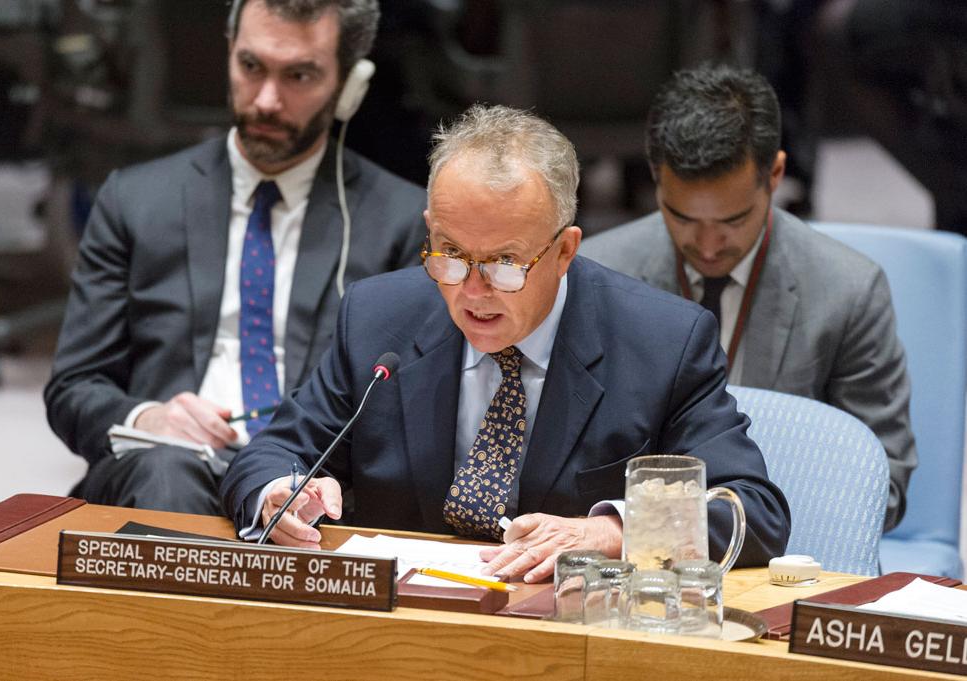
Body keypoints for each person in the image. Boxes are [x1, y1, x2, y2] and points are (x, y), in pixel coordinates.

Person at [221, 104, 790, 582]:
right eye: (450, 253)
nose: (473, 290)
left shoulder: (662, 342)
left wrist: (612, 530)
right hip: (402, 628)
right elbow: (271, 455)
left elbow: (753, 511)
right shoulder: (378, 319)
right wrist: (278, 495)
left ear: (565, 251)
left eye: (505, 263)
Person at [44, 0, 426, 515]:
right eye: (251, 66)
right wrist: (149, 418)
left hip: (313, 481)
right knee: (165, 475)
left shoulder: (401, 220)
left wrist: (290, 476)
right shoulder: (135, 200)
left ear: (349, 86)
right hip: (165, 468)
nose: (266, 100)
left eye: (299, 75)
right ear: (228, 54)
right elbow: (73, 387)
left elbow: (407, 415)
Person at [579, 64, 915, 532]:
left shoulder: (849, 292)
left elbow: (884, 485)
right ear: (655, 178)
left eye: (733, 220)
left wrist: (735, 522)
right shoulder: (599, 276)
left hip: (789, 551)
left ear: (774, 174)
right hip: (634, 552)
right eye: (682, 217)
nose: (708, 246)